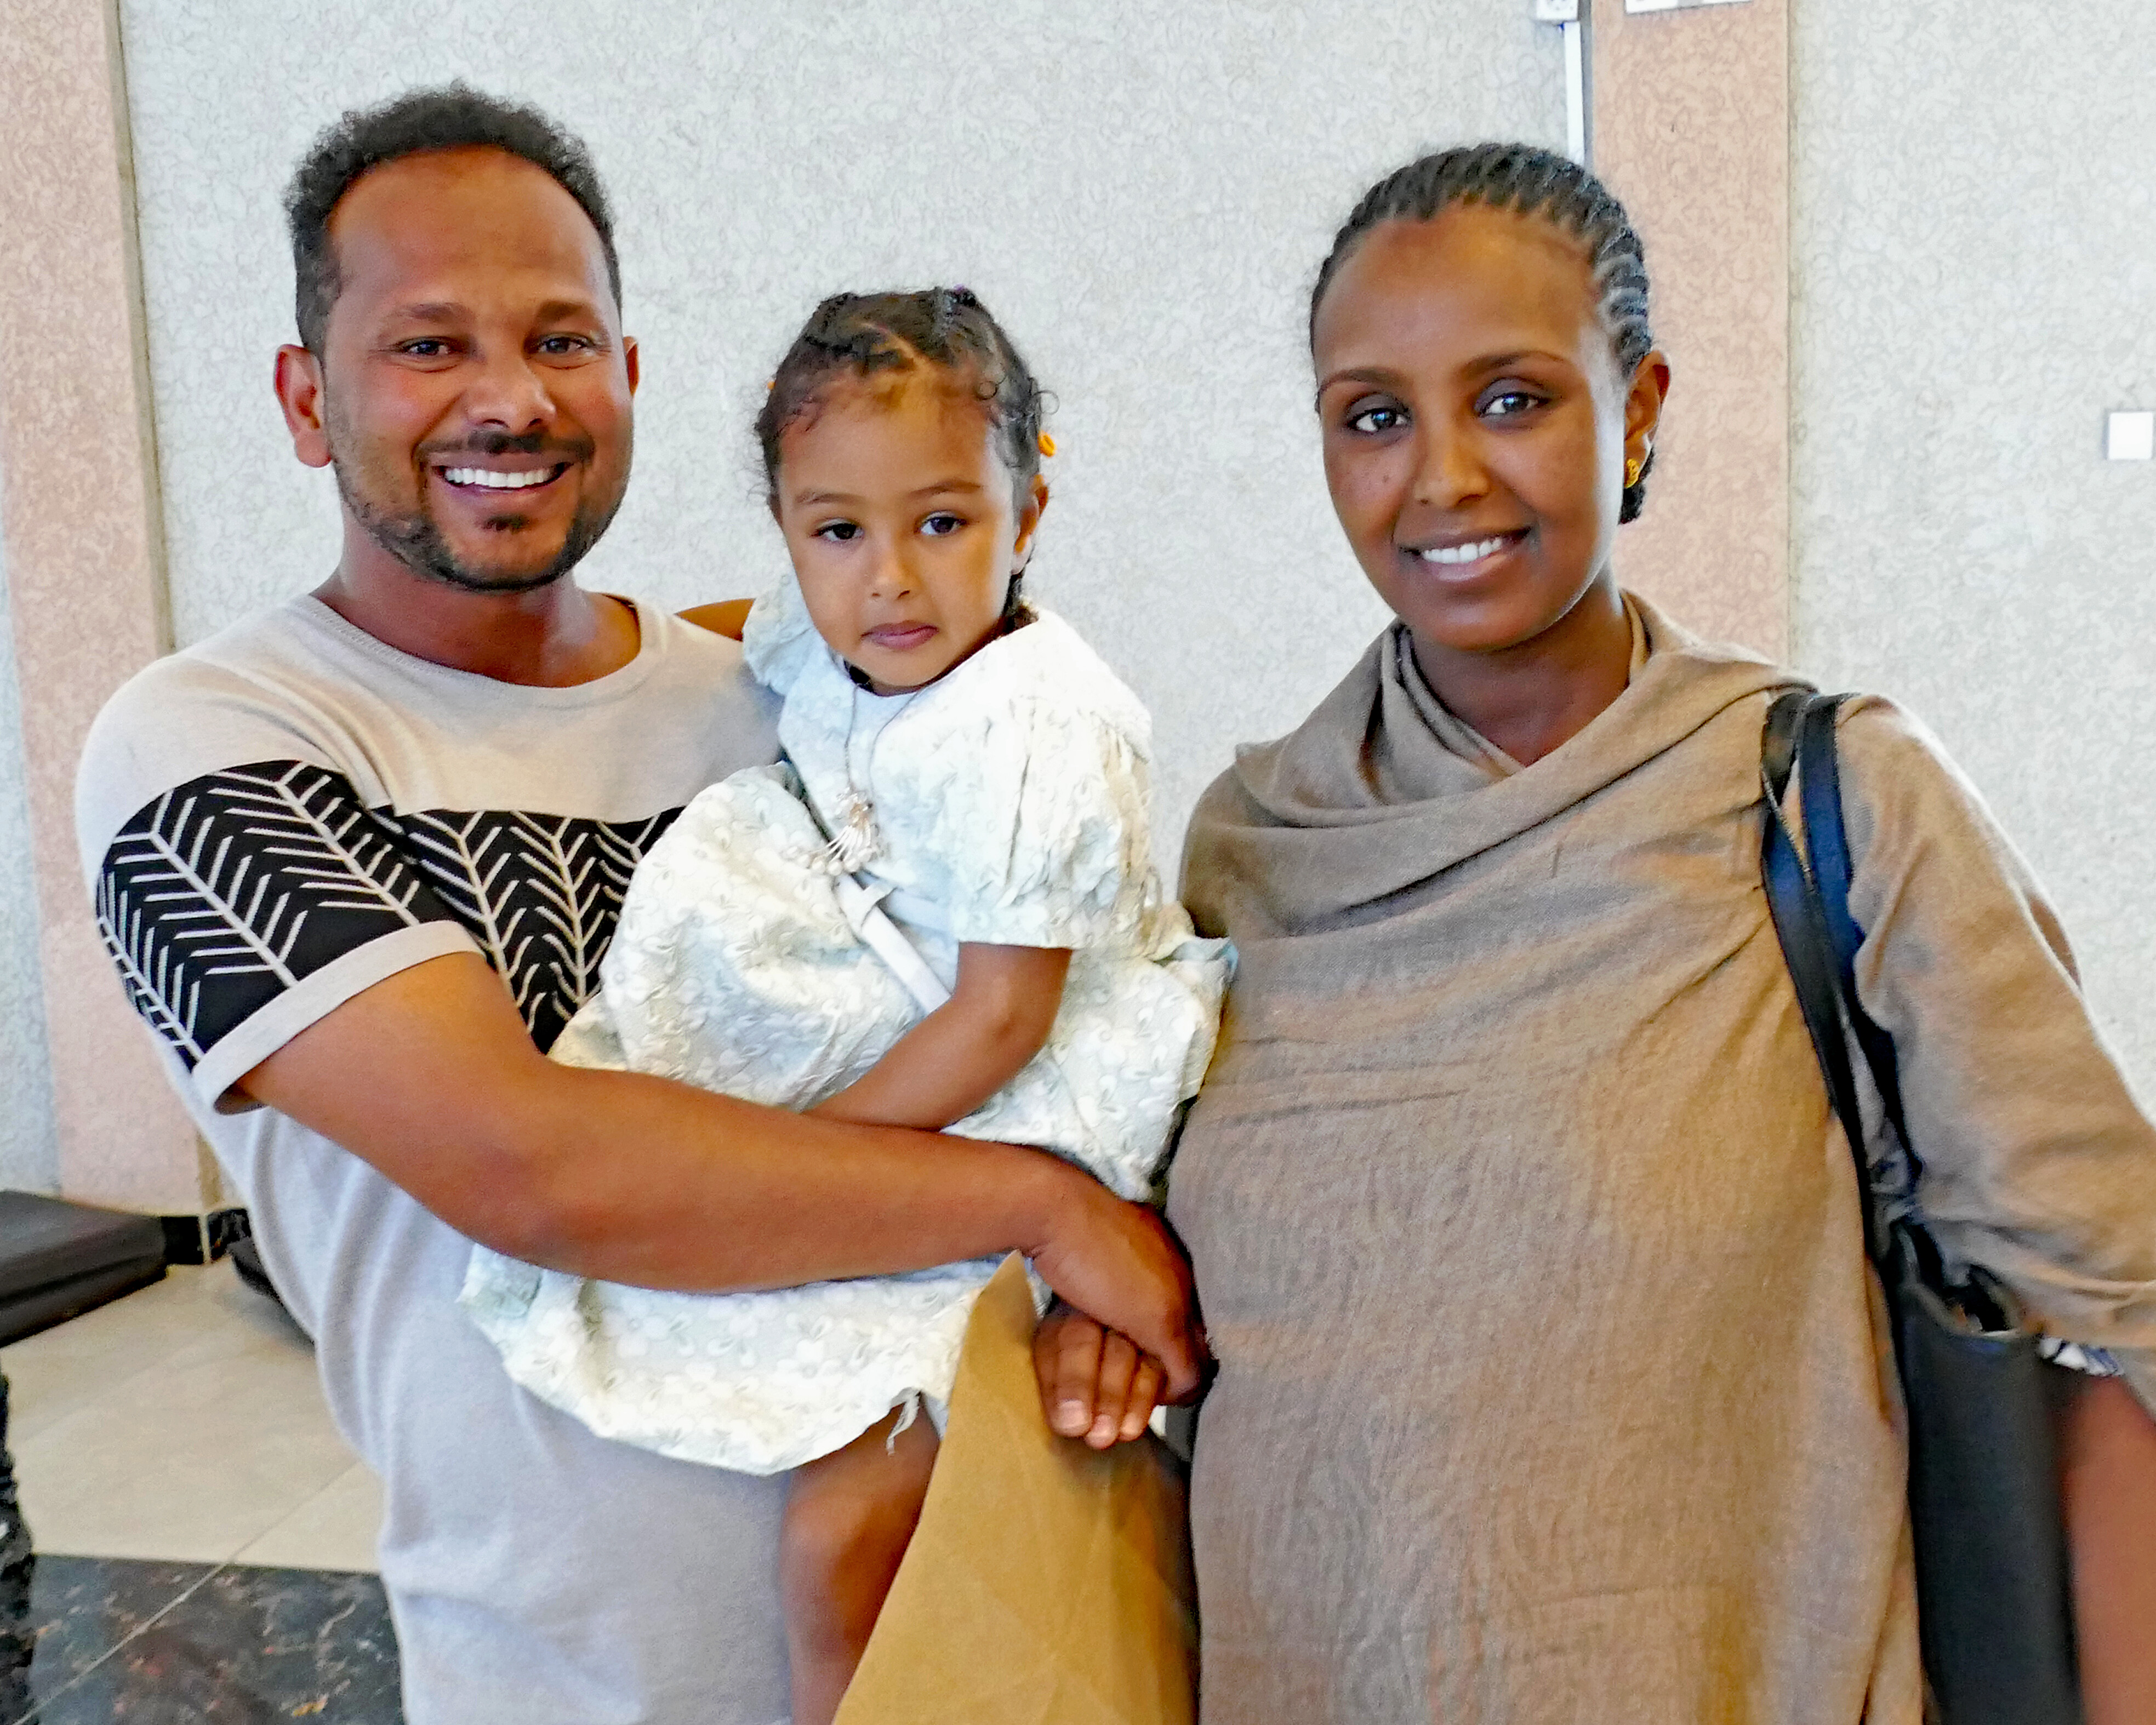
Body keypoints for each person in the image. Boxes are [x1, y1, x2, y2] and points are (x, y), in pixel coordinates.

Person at [73, 85, 1201, 1725]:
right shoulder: (217, 745)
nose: (509, 398)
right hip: (569, 1685)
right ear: (305, 399)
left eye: (561, 339)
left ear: (632, 376)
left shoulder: (791, 687)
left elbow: (1071, 988)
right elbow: (532, 1165)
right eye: (428, 345)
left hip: (977, 1624)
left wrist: (1082, 1278)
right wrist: (1037, 1206)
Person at [1037, 142, 2156, 1722]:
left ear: (1637, 409)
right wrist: (1105, 1331)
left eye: (1512, 398)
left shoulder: (1826, 806)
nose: (1442, 478)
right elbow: (1171, 1311)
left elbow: (2123, 1283)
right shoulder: (1253, 857)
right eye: (1375, 416)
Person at [459, 285, 1226, 1725]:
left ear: (1030, 503)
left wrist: (796, 1169)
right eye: (837, 532)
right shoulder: (839, 637)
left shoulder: (1031, 725)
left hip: (1009, 1078)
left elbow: (1003, 1023)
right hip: (897, 1025)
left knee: (844, 1532)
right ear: (790, 524)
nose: (889, 580)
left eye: (943, 523)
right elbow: (713, 636)